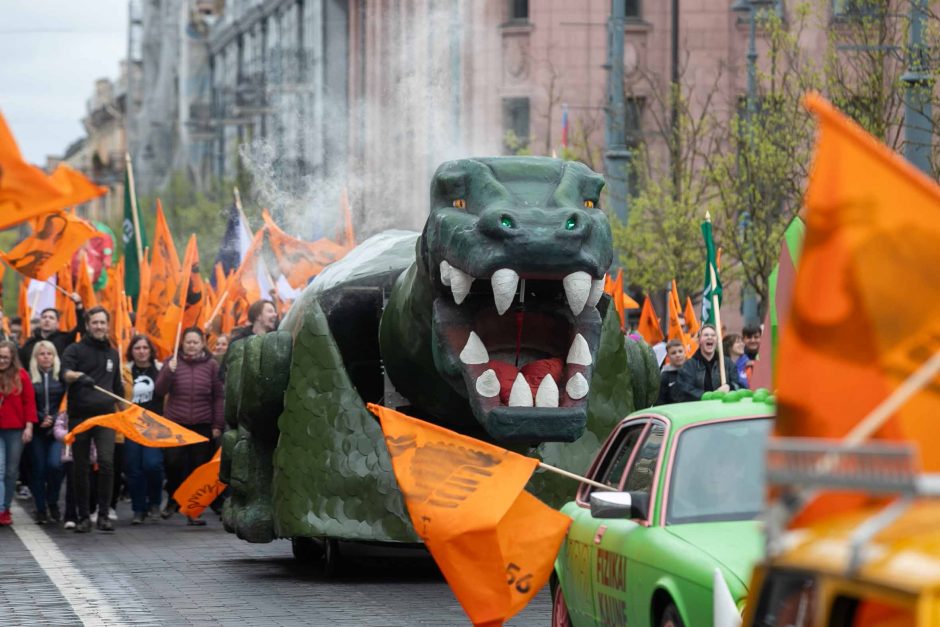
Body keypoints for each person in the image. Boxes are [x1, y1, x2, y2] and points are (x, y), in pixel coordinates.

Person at [60, 307, 124, 533]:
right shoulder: (75, 349)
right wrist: (79, 376)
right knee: (81, 466)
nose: (99, 326)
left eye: (102, 322)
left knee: (107, 463)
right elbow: (64, 373)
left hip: (106, 416)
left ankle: (104, 515)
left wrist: (128, 411)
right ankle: (83, 516)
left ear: (108, 325)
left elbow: (118, 387)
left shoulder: (113, 354)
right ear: (87, 325)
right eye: (94, 322)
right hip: (79, 416)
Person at [156, 327, 223, 525]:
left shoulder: (212, 365)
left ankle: (193, 510)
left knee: (198, 468)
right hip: (176, 424)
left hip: (202, 424)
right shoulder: (172, 362)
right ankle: (174, 498)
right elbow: (159, 390)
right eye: (188, 342)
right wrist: (169, 372)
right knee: (173, 463)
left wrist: (217, 423)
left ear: (202, 344)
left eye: (195, 342)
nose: (191, 346)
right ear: (182, 343)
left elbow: (219, 396)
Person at [122, 335, 165, 524]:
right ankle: (138, 509)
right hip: (132, 425)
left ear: (151, 350)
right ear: (131, 350)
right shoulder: (124, 371)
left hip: (155, 426)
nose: (141, 351)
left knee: (152, 464)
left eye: (145, 348)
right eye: (137, 348)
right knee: (133, 468)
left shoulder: (161, 369)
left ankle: (155, 501)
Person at [28, 341, 67, 524]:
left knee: (55, 465)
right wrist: (40, 417)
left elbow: (66, 402)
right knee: (38, 469)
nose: (45, 357)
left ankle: (52, 501)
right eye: (42, 353)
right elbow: (26, 403)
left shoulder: (61, 378)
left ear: (54, 356)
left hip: (56, 430)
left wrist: (54, 418)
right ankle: (41, 507)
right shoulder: (29, 378)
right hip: (36, 430)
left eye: (49, 353)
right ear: (36, 357)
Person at [0, 341, 37, 525]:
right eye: (0, 357)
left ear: (12, 358)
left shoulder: (21, 376)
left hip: (15, 429)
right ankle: (0, 508)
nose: (2, 361)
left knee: (11, 471)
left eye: (6, 357)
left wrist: (29, 426)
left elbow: (29, 402)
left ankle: (5, 508)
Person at [675, 324, 742, 402]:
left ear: (717, 340)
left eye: (713, 335)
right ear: (699, 340)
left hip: (722, 409)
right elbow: (686, 390)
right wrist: (711, 396)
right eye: (706, 335)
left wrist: (730, 387)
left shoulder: (727, 363)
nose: (710, 337)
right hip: (699, 409)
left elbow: (737, 384)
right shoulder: (688, 366)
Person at [19, 296, 85, 367]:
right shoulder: (30, 342)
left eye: (51, 318)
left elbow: (81, 326)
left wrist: (79, 306)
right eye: (44, 317)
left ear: (57, 323)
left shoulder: (65, 339)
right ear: (40, 321)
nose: (47, 320)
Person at [656, 339, 687, 405]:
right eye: (673, 353)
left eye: (680, 351)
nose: (678, 355)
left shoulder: (693, 371)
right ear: (668, 356)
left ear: (685, 353)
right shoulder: (664, 377)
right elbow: (660, 401)